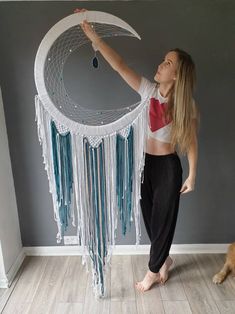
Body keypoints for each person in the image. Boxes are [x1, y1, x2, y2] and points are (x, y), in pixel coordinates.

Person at [76, 8, 199, 292]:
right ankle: (164, 260)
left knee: (163, 219)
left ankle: (152, 271)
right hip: (145, 165)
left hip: (168, 166)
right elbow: (119, 65)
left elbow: (191, 142)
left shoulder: (186, 106)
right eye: (163, 60)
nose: (161, 64)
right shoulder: (148, 91)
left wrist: (192, 174)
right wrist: (93, 35)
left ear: (178, 75)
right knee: (150, 218)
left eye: (168, 63)